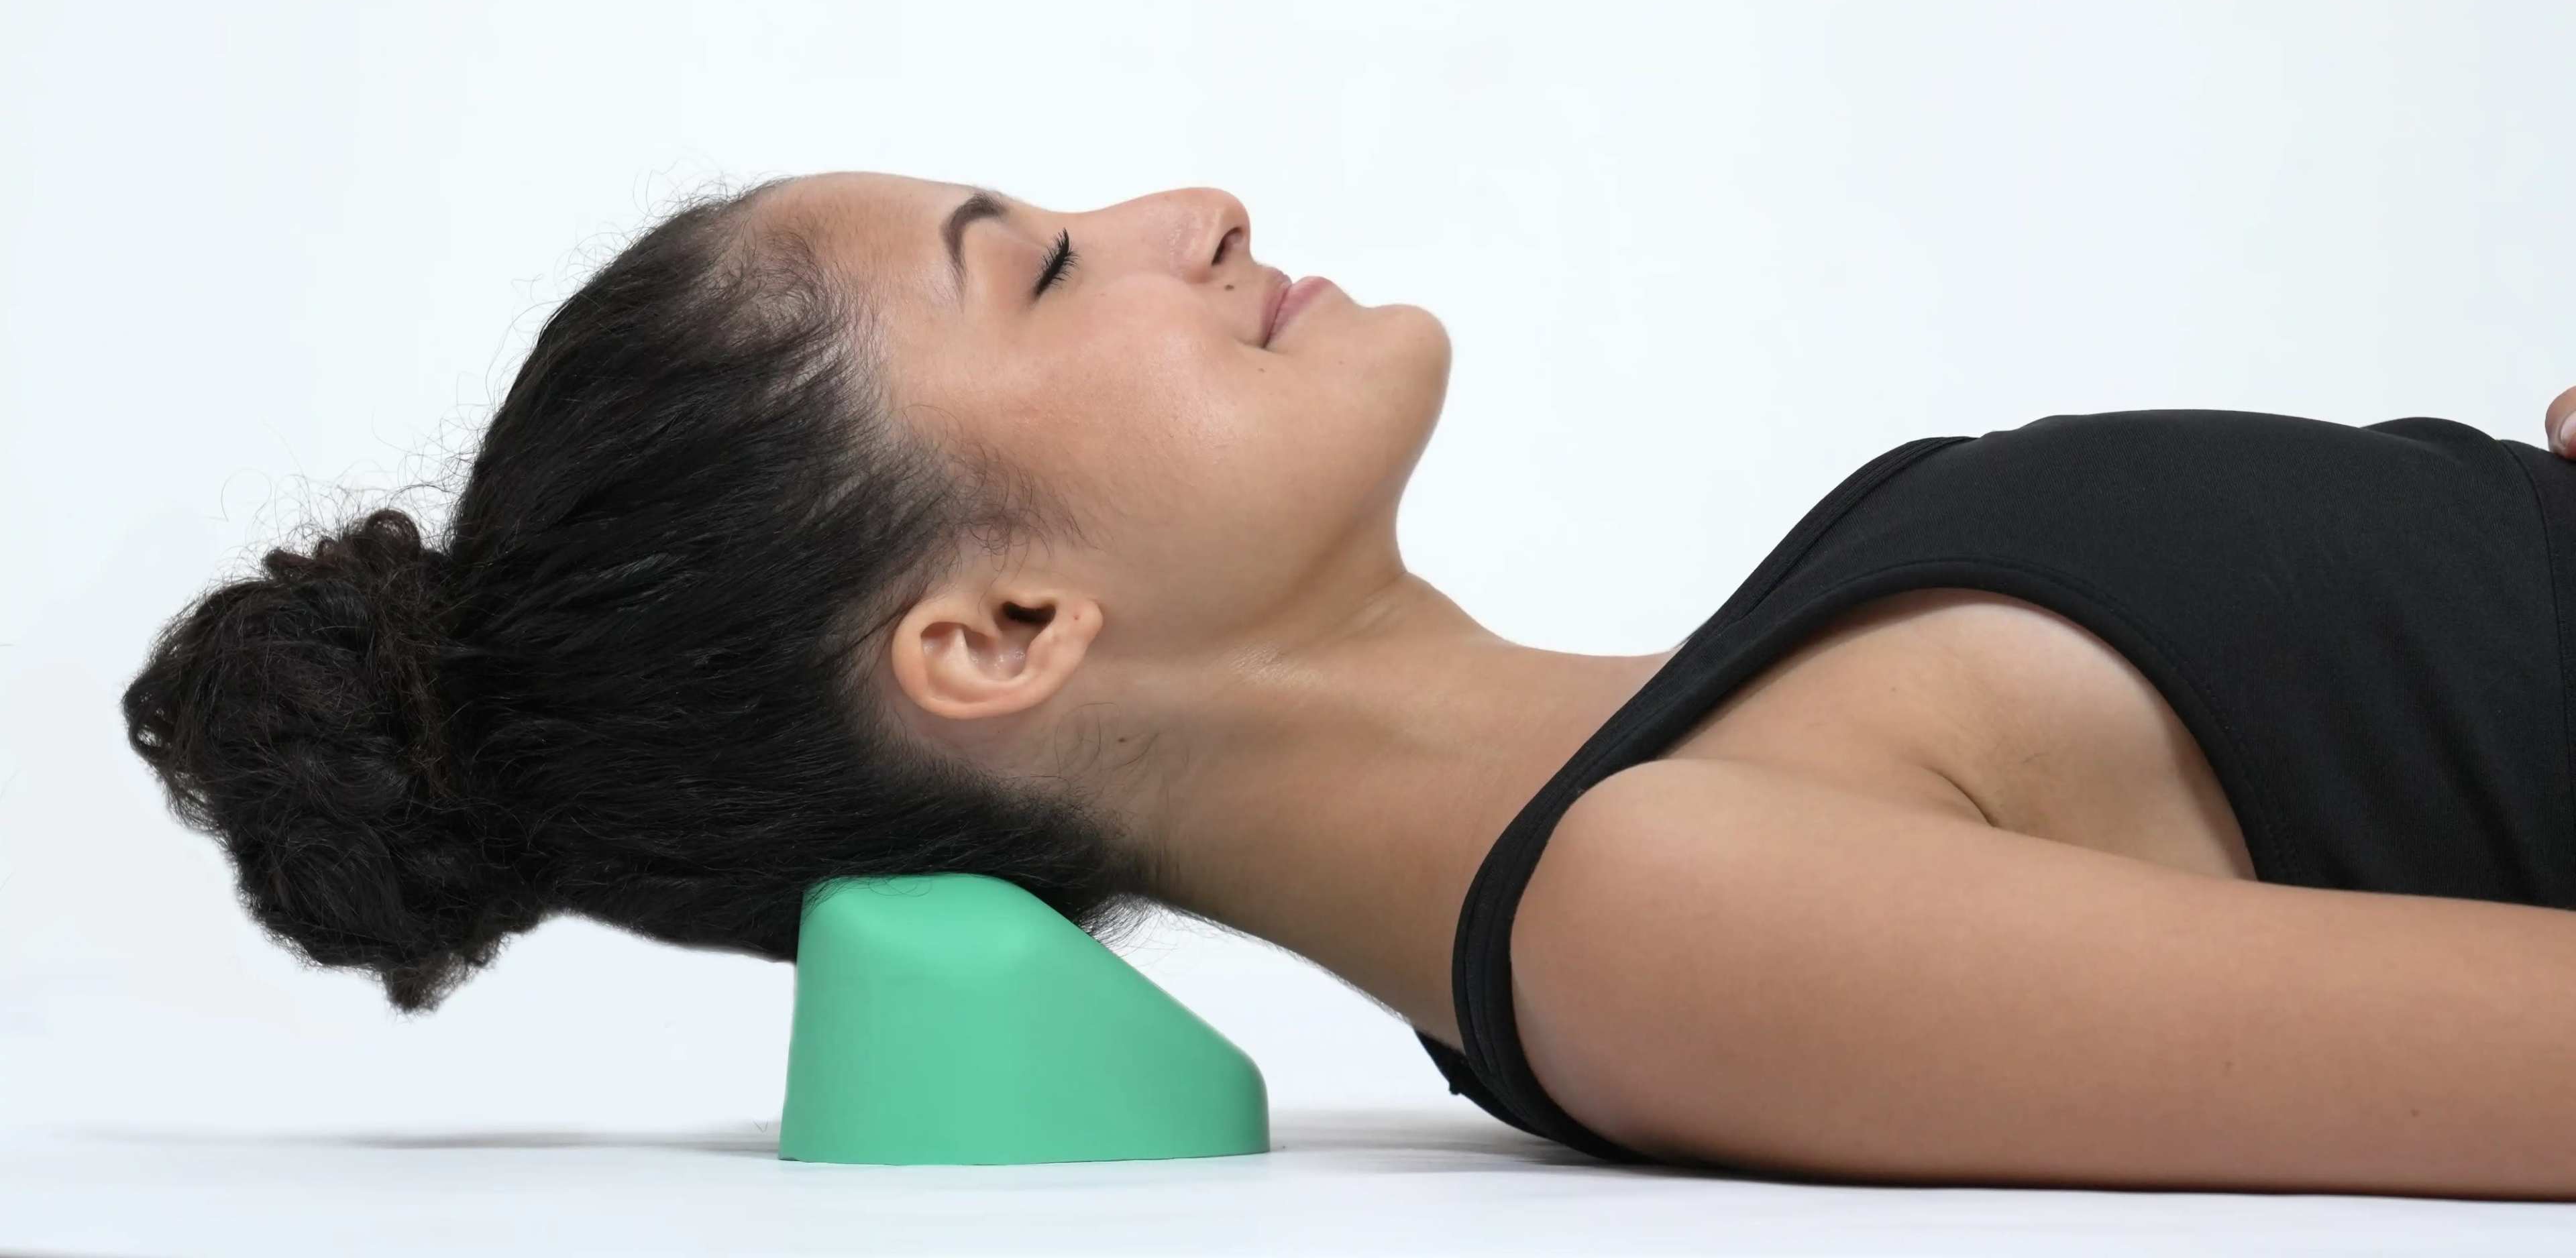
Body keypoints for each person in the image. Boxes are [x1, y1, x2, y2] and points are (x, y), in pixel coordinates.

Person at [119, 170, 2576, 1195]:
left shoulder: (1683, 760)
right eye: (1049, 272)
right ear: (994, 637)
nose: (1186, 208)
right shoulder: (1652, 928)